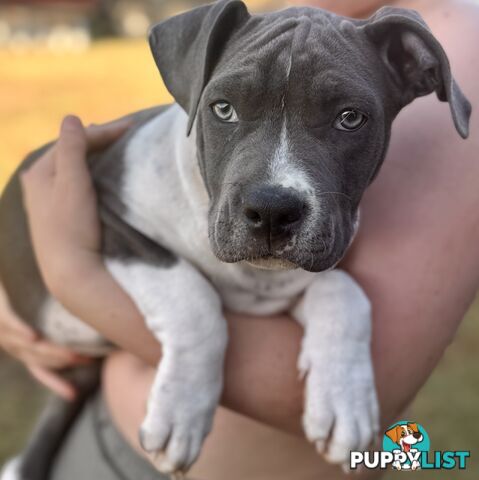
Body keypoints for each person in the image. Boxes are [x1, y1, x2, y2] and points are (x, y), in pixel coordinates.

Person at [1, 0, 478, 478]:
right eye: (225, 108)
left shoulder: (454, 28)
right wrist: (188, 326)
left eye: (348, 118)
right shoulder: (152, 171)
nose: (276, 185)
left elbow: (285, 306)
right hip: (107, 435)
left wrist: (73, 272)